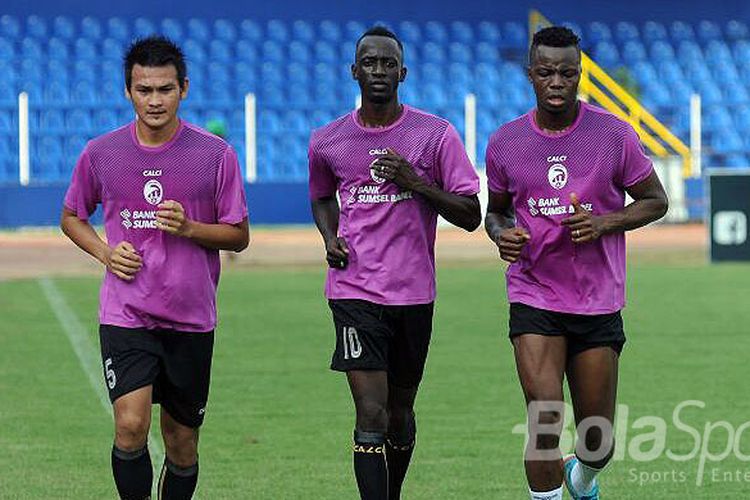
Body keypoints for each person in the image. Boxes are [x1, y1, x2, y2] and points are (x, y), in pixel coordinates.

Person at [60, 36, 249, 500]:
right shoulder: (102, 153)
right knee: (130, 425)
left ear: (183, 88)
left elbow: (238, 235)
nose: (155, 100)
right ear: (128, 91)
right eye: (144, 90)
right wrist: (105, 252)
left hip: (190, 316)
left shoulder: (214, 155)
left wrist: (189, 228)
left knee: (182, 443)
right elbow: (71, 217)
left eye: (165, 89)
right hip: (127, 313)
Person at [484, 26, 668, 500]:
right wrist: (504, 234)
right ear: (531, 75)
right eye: (546, 72)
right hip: (534, 293)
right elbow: (497, 210)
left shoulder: (613, 134)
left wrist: (604, 224)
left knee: (597, 440)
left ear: (580, 75)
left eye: (567, 72)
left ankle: (581, 479)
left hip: (596, 299)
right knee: (544, 416)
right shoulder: (506, 142)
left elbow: (655, 201)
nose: (557, 81)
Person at [308, 26, 481, 500]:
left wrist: (417, 181)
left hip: (413, 294)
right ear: (354, 71)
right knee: (371, 413)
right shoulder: (328, 141)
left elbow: (472, 216)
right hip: (353, 292)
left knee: (401, 412)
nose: (379, 71)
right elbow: (322, 196)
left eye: (388, 63)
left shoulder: (434, 135)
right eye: (370, 62)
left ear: (403, 73)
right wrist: (330, 235)